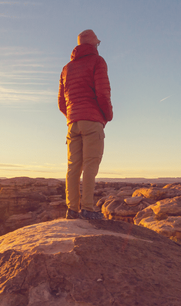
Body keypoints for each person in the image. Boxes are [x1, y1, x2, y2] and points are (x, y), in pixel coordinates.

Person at [58, 29, 113, 220]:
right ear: (93, 44)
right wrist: (106, 116)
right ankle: (88, 209)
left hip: (72, 124)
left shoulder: (66, 68)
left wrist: (73, 116)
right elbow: (103, 93)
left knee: (73, 167)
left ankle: (72, 210)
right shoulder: (98, 62)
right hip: (92, 121)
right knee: (90, 165)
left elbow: (61, 103)